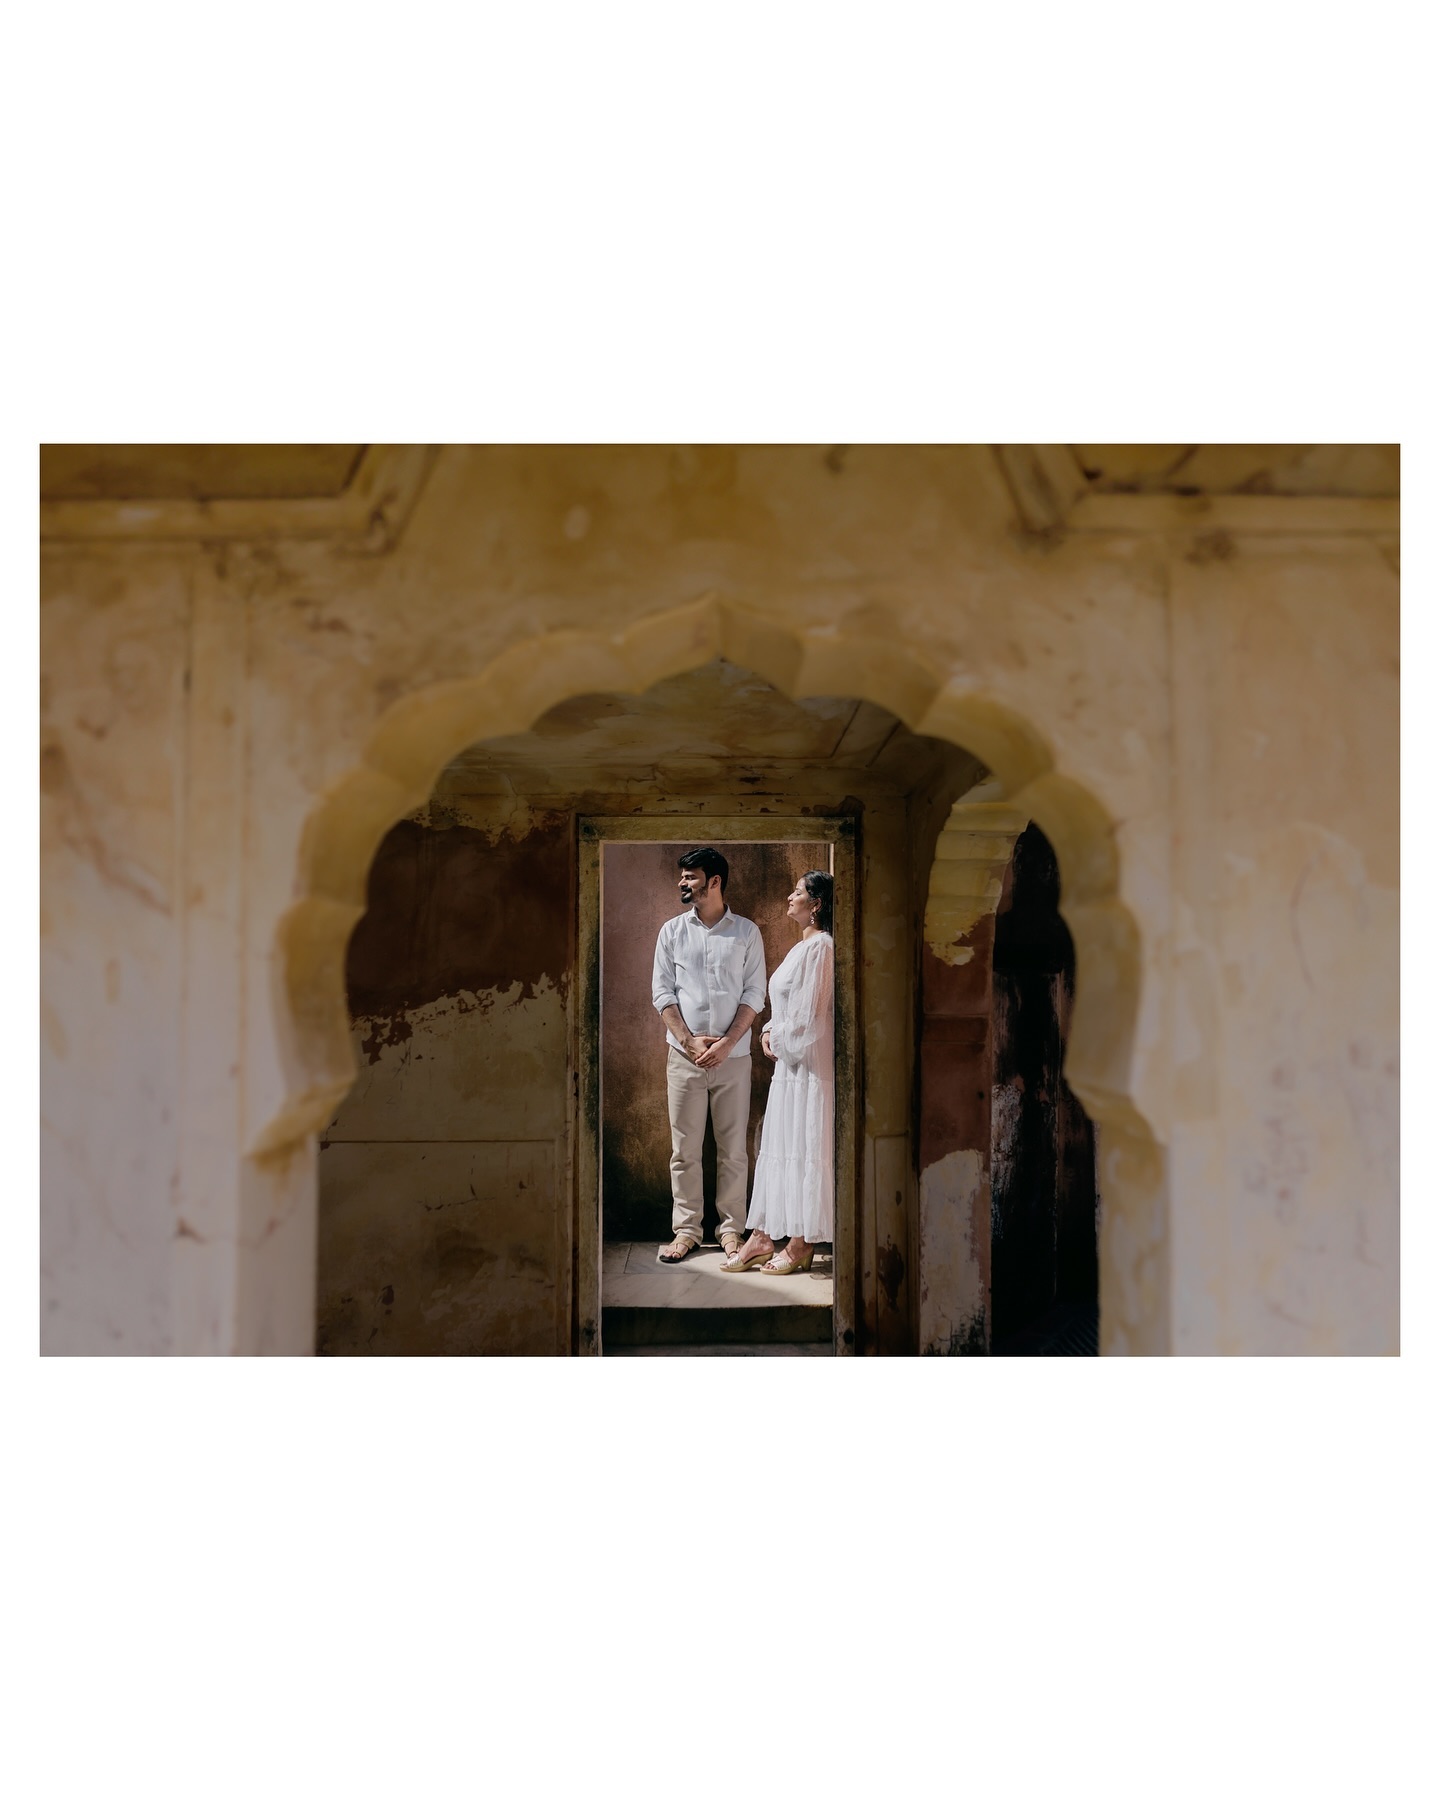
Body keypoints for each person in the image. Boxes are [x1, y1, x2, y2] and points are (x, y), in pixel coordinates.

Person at [650, 847, 767, 1265]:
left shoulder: (746, 933)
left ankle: (732, 1231)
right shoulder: (671, 932)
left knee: (733, 1148)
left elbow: (755, 993)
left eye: (691, 876)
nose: (683, 883)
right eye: (682, 877)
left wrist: (727, 1043)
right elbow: (662, 993)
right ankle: (686, 1232)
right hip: (684, 1057)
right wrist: (689, 1042)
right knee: (684, 1150)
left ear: (714, 881)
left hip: (733, 1058)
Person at [723, 870, 835, 1275]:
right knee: (781, 1146)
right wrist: (769, 1029)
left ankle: (801, 1242)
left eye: (799, 892)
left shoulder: (821, 947)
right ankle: (763, 1235)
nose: (790, 897)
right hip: (790, 1068)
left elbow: (812, 1019)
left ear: (816, 904)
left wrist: (779, 1036)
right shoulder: (800, 948)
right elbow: (789, 1009)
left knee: (804, 1147)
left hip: (807, 1067)